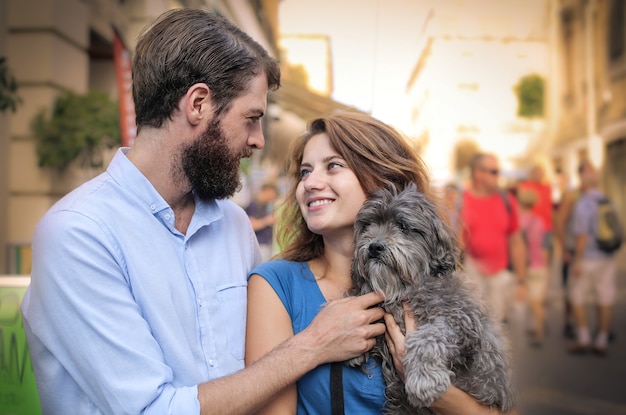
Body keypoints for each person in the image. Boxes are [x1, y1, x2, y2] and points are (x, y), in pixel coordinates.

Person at [20, 9, 388, 414]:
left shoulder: (232, 224)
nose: (258, 141)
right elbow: (151, 409)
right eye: (251, 119)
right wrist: (313, 346)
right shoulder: (78, 233)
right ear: (198, 104)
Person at [245, 112, 518, 414]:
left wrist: (434, 389)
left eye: (333, 166)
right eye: (305, 172)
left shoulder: (437, 291)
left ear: (379, 177)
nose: (310, 183)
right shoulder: (277, 285)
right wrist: (317, 341)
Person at [460, 153, 527, 324]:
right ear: (478, 173)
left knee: (498, 330)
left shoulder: (507, 201)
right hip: (472, 278)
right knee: (474, 327)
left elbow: (516, 242)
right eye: (494, 171)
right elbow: (454, 245)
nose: (499, 176)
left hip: (500, 279)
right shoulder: (461, 202)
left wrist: (521, 281)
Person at [566, 162, 618, 356]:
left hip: (588, 258)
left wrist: (576, 261)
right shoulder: (607, 200)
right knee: (605, 297)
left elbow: (582, 237)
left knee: (577, 296)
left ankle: (584, 337)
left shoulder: (584, 204)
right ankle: (602, 340)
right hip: (607, 256)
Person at [517, 188, 549, 346]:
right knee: (536, 299)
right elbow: (544, 246)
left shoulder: (518, 220)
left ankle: (539, 332)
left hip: (524, 265)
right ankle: (536, 326)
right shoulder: (540, 221)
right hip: (538, 264)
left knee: (532, 300)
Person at [518, 162, 554, 260]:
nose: (539, 175)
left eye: (541, 172)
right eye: (537, 172)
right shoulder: (526, 186)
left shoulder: (547, 187)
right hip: (530, 225)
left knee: (545, 249)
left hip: (546, 226)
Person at [245, 182, 280, 261]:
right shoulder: (254, 205)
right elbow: (251, 225)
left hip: (267, 245)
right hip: (258, 245)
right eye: (273, 193)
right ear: (266, 191)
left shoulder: (267, 206)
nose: (273, 197)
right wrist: (267, 220)